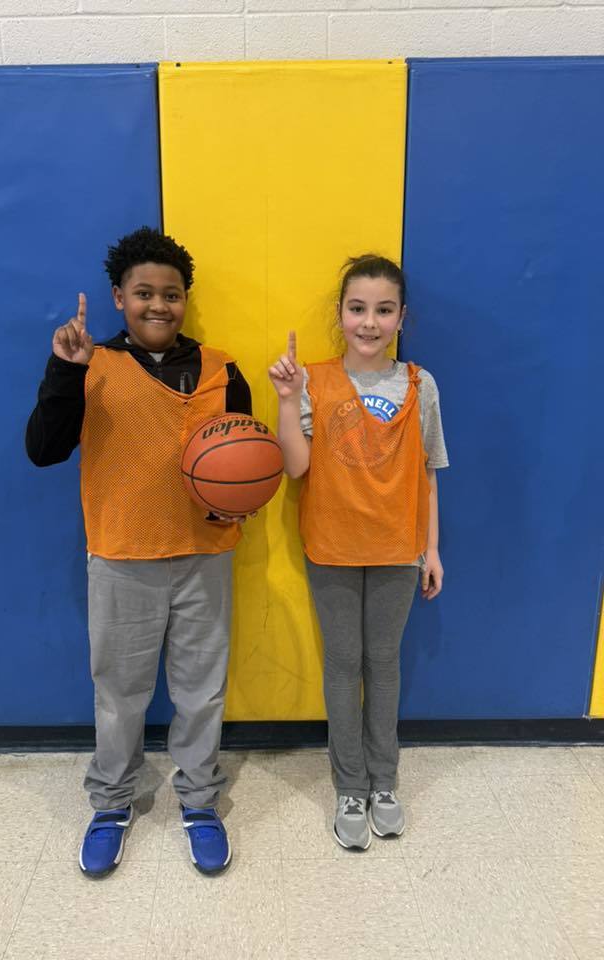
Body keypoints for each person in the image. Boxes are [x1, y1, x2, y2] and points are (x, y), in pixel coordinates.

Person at [26, 226, 252, 876]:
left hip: (203, 555)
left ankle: (200, 801)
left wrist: (234, 498)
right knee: (119, 692)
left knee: (201, 692)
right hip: (121, 556)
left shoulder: (221, 367)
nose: (159, 304)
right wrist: (63, 370)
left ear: (186, 300)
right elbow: (43, 450)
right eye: (144, 292)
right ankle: (112, 803)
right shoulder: (90, 363)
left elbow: (245, 462)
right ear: (119, 296)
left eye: (172, 293)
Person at [268, 254, 448, 850]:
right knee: (344, 665)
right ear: (340, 314)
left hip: (397, 549)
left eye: (384, 309)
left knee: (384, 663)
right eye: (357, 308)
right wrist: (288, 400)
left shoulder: (420, 385)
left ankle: (385, 781)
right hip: (333, 547)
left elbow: (428, 476)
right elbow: (296, 468)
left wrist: (432, 550)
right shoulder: (314, 378)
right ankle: (349, 784)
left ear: (402, 317)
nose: (369, 322)